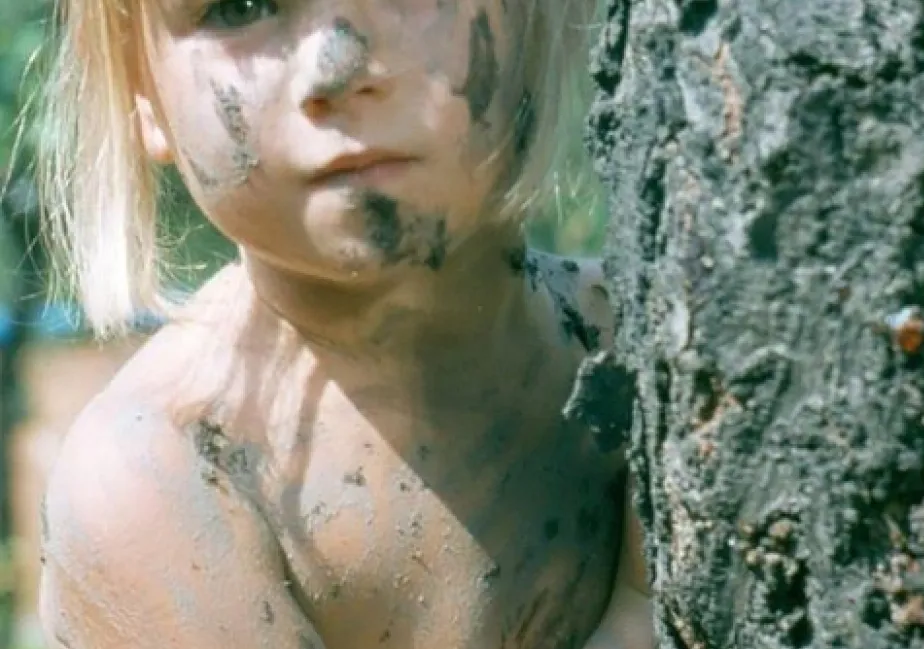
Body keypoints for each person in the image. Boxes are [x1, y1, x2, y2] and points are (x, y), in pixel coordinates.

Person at [34, 1, 654, 647]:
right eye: (240, 6)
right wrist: (642, 612)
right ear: (141, 89)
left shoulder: (648, 342)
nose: (338, 64)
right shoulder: (159, 482)